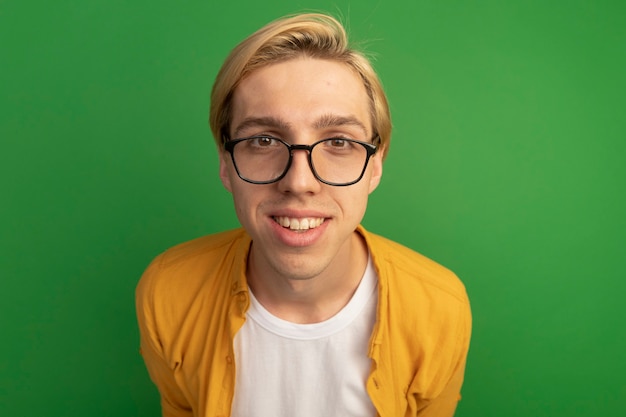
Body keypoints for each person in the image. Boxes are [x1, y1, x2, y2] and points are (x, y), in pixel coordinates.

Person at [136, 12, 471, 417]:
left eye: (338, 142)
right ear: (226, 162)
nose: (299, 182)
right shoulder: (168, 292)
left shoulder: (440, 308)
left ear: (376, 164)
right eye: (263, 140)